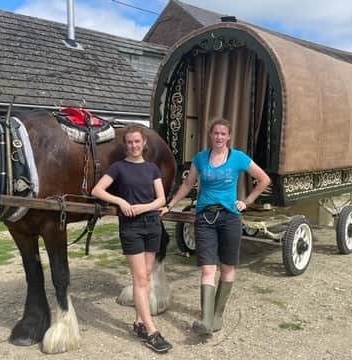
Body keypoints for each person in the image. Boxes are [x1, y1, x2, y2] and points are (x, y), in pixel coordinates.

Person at [160, 119, 271, 336]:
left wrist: (246, 202)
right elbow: (187, 184)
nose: (219, 137)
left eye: (223, 134)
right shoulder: (200, 158)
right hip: (205, 218)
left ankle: (217, 317)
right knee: (207, 268)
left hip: (229, 217)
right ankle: (206, 319)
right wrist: (169, 205)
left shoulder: (238, 157)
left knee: (228, 267)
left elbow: (263, 179)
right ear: (210, 136)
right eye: (215, 133)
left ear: (228, 136)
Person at [91, 126, 173, 354]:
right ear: (125, 145)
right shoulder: (118, 168)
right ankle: (152, 331)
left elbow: (161, 199)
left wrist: (143, 207)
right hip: (131, 229)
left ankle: (139, 322)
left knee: (145, 276)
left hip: (152, 226)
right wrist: (120, 202)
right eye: (129, 142)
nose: (133, 146)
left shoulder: (151, 169)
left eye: (137, 142)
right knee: (140, 279)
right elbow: (97, 190)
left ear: (143, 143)